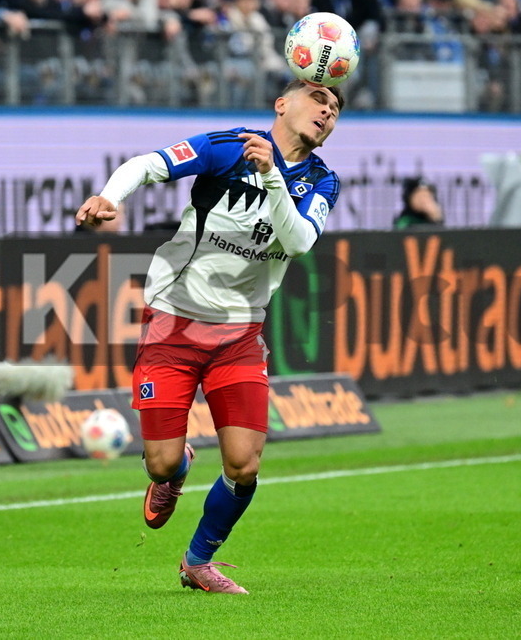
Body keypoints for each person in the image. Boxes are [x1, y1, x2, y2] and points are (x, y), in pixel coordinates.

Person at [74, 79, 345, 595]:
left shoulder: (322, 182)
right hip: (172, 324)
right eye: (319, 101)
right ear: (282, 104)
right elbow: (146, 164)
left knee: (244, 465)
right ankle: (175, 472)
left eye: (335, 109)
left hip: (241, 335)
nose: (327, 113)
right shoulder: (226, 147)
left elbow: (300, 242)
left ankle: (198, 561)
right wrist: (108, 196)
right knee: (161, 461)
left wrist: (272, 178)